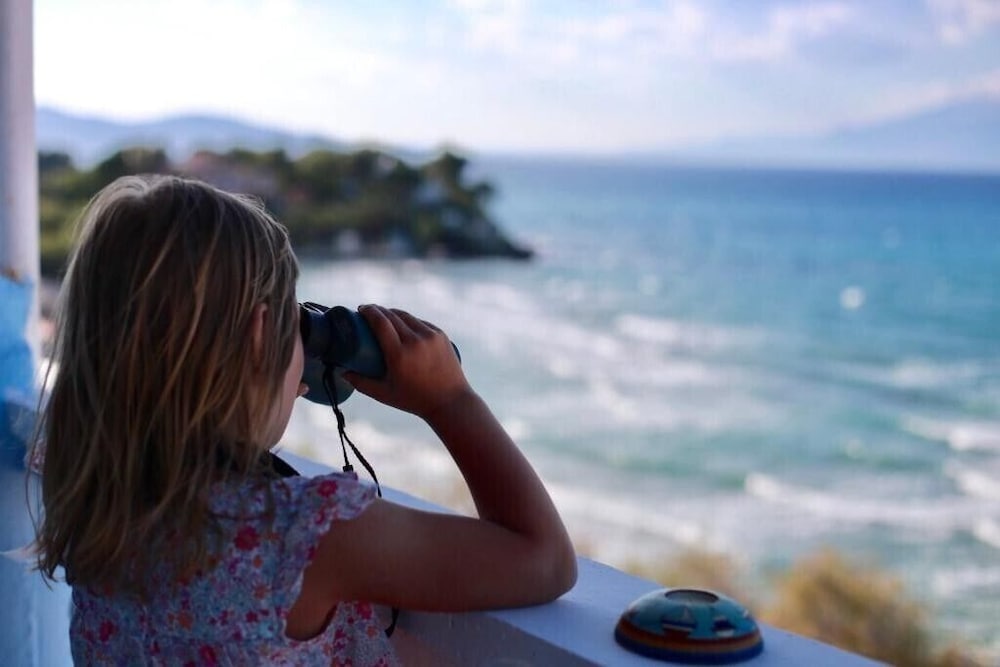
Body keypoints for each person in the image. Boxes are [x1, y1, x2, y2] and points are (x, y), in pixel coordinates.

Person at [31, 174, 577, 665]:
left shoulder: (95, 500)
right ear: (259, 333)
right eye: (297, 325)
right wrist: (450, 402)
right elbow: (545, 560)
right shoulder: (300, 534)